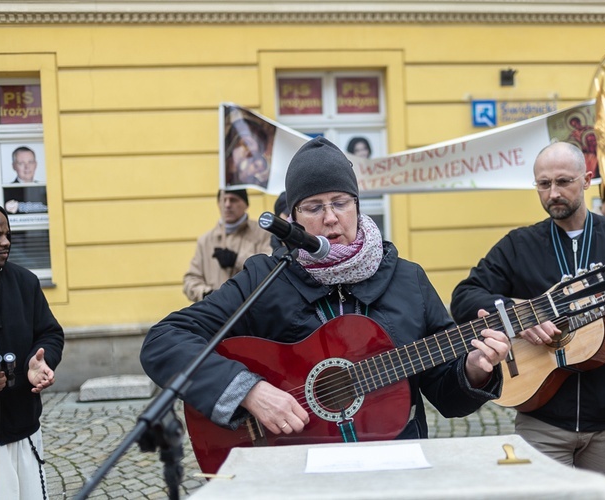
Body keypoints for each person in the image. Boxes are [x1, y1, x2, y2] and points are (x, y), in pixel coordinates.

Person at [142, 137, 509, 449]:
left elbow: (446, 393)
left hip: (394, 461)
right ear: (294, 218)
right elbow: (164, 340)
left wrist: (473, 371)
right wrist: (249, 393)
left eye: (340, 202)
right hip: (297, 463)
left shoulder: (407, 279)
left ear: (357, 206)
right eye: (314, 207)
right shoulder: (265, 278)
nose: (330, 218)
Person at [450, 141, 605, 497]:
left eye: (563, 181)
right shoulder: (519, 245)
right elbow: (465, 296)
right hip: (540, 415)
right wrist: (518, 315)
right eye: (543, 184)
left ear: (587, 179)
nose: (553, 193)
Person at [0, 203, 64, 499]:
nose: (5, 242)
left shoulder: (25, 282)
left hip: (22, 425)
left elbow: (50, 333)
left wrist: (40, 361)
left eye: (8, 234)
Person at [182, 188, 271, 302]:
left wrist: (237, 260)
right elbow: (190, 279)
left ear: (245, 204)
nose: (227, 205)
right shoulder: (205, 241)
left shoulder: (263, 234)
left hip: (251, 308)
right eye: (223, 200)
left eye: (233, 200)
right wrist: (207, 294)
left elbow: (268, 269)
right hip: (216, 312)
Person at [5, 146, 48, 215]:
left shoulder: (44, 188)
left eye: (30, 162)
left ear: (35, 164)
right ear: (14, 166)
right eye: (21, 163)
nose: (27, 167)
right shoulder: (6, 191)